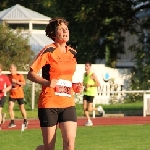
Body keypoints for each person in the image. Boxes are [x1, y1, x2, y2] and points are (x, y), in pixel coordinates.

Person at [27, 17, 82, 150]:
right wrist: (47, 83)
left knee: (70, 144)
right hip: (49, 103)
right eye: (61, 29)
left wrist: (74, 85)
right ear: (53, 34)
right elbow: (30, 74)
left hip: (68, 103)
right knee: (49, 148)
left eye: (66, 28)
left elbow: (65, 77)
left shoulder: (72, 53)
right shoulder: (48, 51)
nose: (65, 31)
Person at [83, 62, 105, 126]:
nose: (86, 67)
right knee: (84, 108)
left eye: (87, 66)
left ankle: (98, 109)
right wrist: (84, 86)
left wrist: (90, 85)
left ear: (90, 67)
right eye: (85, 66)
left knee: (89, 109)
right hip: (85, 92)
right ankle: (89, 121)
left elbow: (98, 83)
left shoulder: (92, 74)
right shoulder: (84, 74)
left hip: (91, 93)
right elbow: (84, 83)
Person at [8, 64, 28, 129]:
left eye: (11, 68)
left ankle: (25, 120)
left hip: (19, 94)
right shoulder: (9, 76)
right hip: (12, 95)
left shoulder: (19, 75)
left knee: (22, 108)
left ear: (15, 69)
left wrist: (17, 82)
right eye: (10, 68)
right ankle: (12, 122)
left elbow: (24, 83)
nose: (10, 69)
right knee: (10, 107)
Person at [0, 64, 12, 130]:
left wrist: (5, 89)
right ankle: (2, 117)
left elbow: (10, 86)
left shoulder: (4, 77)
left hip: (2, 96)